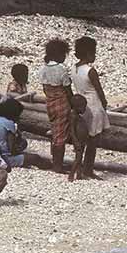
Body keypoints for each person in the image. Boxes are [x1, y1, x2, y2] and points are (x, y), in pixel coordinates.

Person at [72, 36, 110, 179]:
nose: (94, 55)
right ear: (88, 53)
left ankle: (79, 168)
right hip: (94, 105)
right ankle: (88, 169)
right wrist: (104, 104)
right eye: (93, 52)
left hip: (81, 105)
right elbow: (99, 90)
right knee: (93, 141)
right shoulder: (90, 71)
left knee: (82, 139)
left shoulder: (74, 68)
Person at [39, 38, 74, 173]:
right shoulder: (61, 69)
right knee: (61, 136)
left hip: (50, 103)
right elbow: (68, 90)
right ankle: (58, 166)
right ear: (58, 54)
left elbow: (45, 89)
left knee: (55, 133)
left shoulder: (43, 69)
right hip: (62, 104)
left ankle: (55, 162)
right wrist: (72, 105)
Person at [0, 99, 33, 169]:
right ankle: (50, 166)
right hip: (2, 158)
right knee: (35, 158)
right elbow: (11, 148)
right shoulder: (9, 123)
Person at [66, 95, 94, 182]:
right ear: (76, 107)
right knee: (78, 158)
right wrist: (75, 141)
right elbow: (72, 130)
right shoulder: (73, 116)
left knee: (80, 157)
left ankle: (79, 174)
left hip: (82, 139)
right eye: (83, 107)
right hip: (77, 140)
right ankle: (71, 175)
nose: (85, 109)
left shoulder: (77, 116)